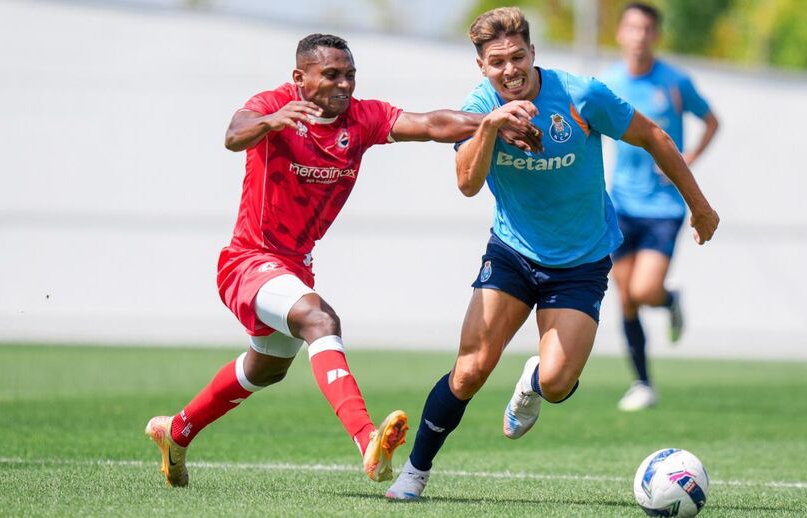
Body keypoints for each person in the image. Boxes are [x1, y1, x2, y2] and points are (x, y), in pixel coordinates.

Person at [144, 33, 541, 488]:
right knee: (321, 320)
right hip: (248, 261)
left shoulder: (362, 117)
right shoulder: (274, 103)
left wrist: (490, 122)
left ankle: (175, 432)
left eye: (350, 74)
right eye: (331, 74)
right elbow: (234, 135)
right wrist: (272, 121)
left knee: (266, 368)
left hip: (292, 267)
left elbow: (430, 124)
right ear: (300, 78)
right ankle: (368, 441)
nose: (344, 84)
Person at [385, 7, 719, 500]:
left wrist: (700, 206)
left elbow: (654, 137)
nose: (510, 70)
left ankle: (533, 382)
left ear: (533, 53)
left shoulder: (581, 95)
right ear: (481, 67)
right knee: (472, 367)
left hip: (580, 262)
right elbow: (467, 185)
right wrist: (491, 126)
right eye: (497, 62)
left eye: (517, 56)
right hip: (514, 253)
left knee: (558, 383)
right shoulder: (477, 107)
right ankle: (414, 473)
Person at [600, 2, 720, 412]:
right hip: (620, 204)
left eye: (647, 29)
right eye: (632, 28)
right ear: (620, 34)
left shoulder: (673, 82)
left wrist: (687, 161)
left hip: (663, 207)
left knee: (645, 289)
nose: (639, 36)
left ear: (656, 36)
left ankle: (669, 301)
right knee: (626, 297)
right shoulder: (608, 83)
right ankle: (642, 383)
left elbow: (712, 121)